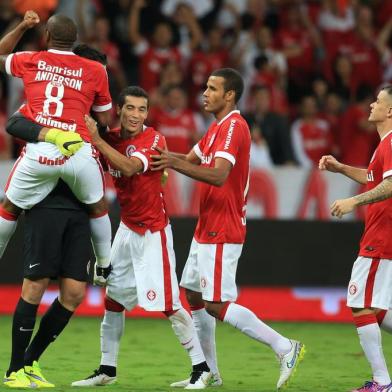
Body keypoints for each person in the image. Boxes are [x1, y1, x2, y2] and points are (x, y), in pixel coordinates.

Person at [152, 68, 305, 390]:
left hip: (224, 226)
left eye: (211, 88)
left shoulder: (235, 127)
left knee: (216, 303)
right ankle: (209, 373)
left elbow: (218, 175)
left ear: (230, 95)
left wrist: (171, 163)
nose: (204, 93)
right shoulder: (216, 128)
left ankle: (284, 347)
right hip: (206, 225)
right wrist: (156, 158)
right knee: (193, 293)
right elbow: (189, 159)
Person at [71, 86, 212, 389]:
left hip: (153, 232)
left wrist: (95, 139)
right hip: (126, 229)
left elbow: (129, 168)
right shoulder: (110, 138)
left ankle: (202, 368)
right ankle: (107, 369)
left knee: (170, 304)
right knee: (113, 299)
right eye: (131, 108)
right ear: (119, 110)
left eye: (142, 109)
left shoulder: (154, 139)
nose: (137, 115)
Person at [3, 44, 108, 390]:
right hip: (46, 203)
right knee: (35, 285)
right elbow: (16, 122)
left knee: (75, 293)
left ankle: (31, 363)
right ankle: (13, 369)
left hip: (80, 210)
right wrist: (50, 136)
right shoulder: (49, 104)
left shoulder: (97, 121)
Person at [0, 11, 113, 278]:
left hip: (41, 150)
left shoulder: (31, 60)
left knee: (9, 208)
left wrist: (23, 27)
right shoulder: (96, 69)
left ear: (47, 36)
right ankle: (103, 267)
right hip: (78, 149)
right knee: (98, 206)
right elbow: (105, 117)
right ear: (75, 40)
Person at [319, 85, 392, 392]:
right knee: (379, 308)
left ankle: (382, 382)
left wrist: (353, 202)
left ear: (390, 111)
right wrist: (341, 168)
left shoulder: (391, 143)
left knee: (360, 302)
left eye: (378, 101)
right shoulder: (384, 145)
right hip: (381, 233)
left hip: (382, 235)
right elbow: (375, 178)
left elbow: (390, 187)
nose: (371, 105)